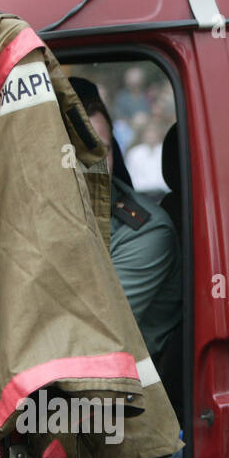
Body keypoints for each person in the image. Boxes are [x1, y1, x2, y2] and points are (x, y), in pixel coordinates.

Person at [72, 77, 181, 363]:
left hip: (119, 395)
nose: (95, 163)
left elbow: (92, 334)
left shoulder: (146, 230)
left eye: (103, 150)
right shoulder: (40, 211)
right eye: (80, 151)